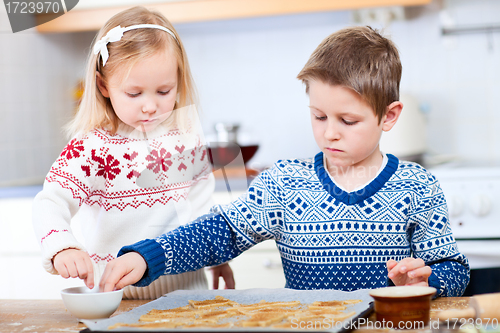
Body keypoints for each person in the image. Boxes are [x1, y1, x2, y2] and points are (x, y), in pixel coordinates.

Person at [99, 26, 470, 297]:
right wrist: (150, 256)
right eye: (319, 116)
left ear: (388, 116)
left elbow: (453, 269)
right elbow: (221, 232)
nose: (329, 133)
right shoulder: (286, 183)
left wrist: (428, 282)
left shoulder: (417, 186)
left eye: (348, 121)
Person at [32, 6, 234, 299]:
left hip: (189, 293)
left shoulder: (186, 132)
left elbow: (200, 204)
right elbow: (50, 202)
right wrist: (62, 244)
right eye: (134, 93)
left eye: (164, 91)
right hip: (118, 296)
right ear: (103, 85)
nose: (150, 106)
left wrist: (217, 258)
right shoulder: (92, 145)